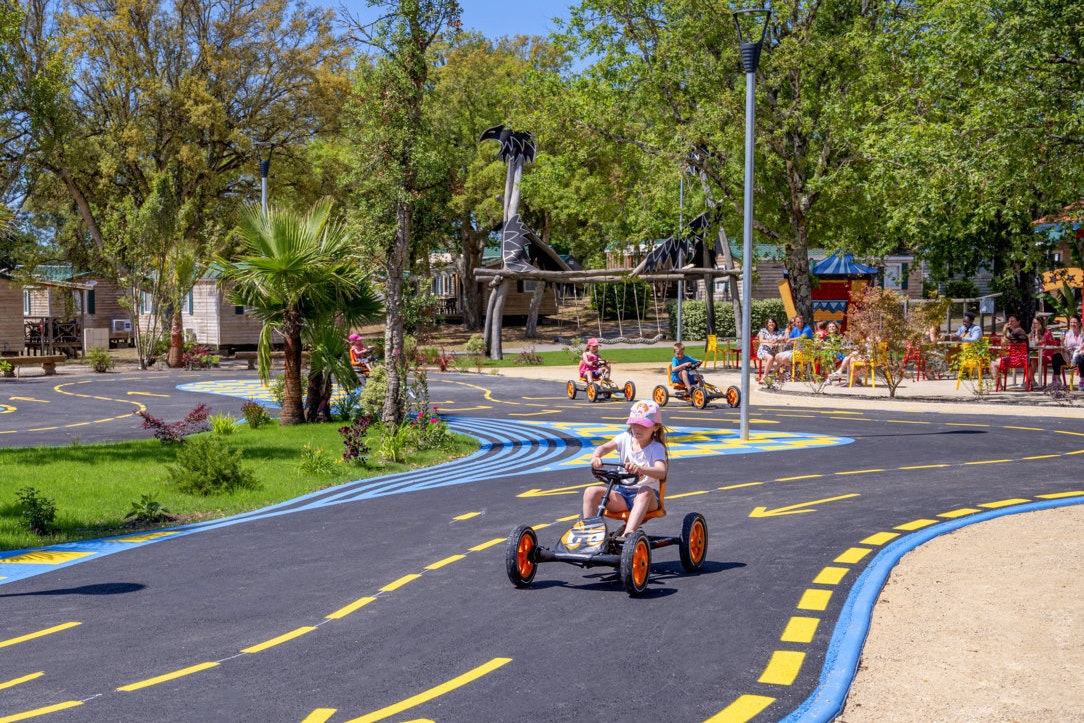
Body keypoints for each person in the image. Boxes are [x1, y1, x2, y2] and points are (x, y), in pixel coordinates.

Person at [582, 400, 668, 539]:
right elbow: (604, 447)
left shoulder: (656, 447)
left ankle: (627, 536)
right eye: (634, 424)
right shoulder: (625, 438)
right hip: (623, 495)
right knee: (591, 492)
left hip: (648, 499)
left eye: (643, 425)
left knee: (645, 491)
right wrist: (596, 456)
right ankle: (589, 535)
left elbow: (661, 471)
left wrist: (641, 469)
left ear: (656, 427)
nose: (637, 429)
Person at [990, 314, 1028, 381]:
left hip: (1016, 360)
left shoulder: (1016, 331)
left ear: (1018, 322)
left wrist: (1004, 330)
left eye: (1012, 321)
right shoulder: (1019, 331)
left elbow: (1004, 343)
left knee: (993, 363)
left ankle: (998, 386)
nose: (1010, 323)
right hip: (1025, 359)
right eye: (1009, 321)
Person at [1051, 316, 1083, 382]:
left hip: (1080, 354)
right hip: (1068, 355)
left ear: (1079, 323)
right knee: (1056, 357)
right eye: (1071, 322)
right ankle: (1057, 379)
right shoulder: (1068, 334)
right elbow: (1064, 347)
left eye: (1074, 322)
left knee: (1081, 358)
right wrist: (1062, 341)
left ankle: (1082, 380)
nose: (1072, 324)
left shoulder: (1082, 334)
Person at [1028, 317, 1057, 388]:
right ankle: (1032, 381)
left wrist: (1037, 332)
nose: (1033, 325)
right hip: (1038, 355)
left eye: (1035, 323)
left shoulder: (1047, 332)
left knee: (1033, 360)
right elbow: (1030, 343)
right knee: (1029, 360)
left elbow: (1038, 343)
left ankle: (1029, 381)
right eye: (1033, 323)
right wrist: (1032, 334)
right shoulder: (1032, 332)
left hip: (1048, 355)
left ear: (1041, 324)